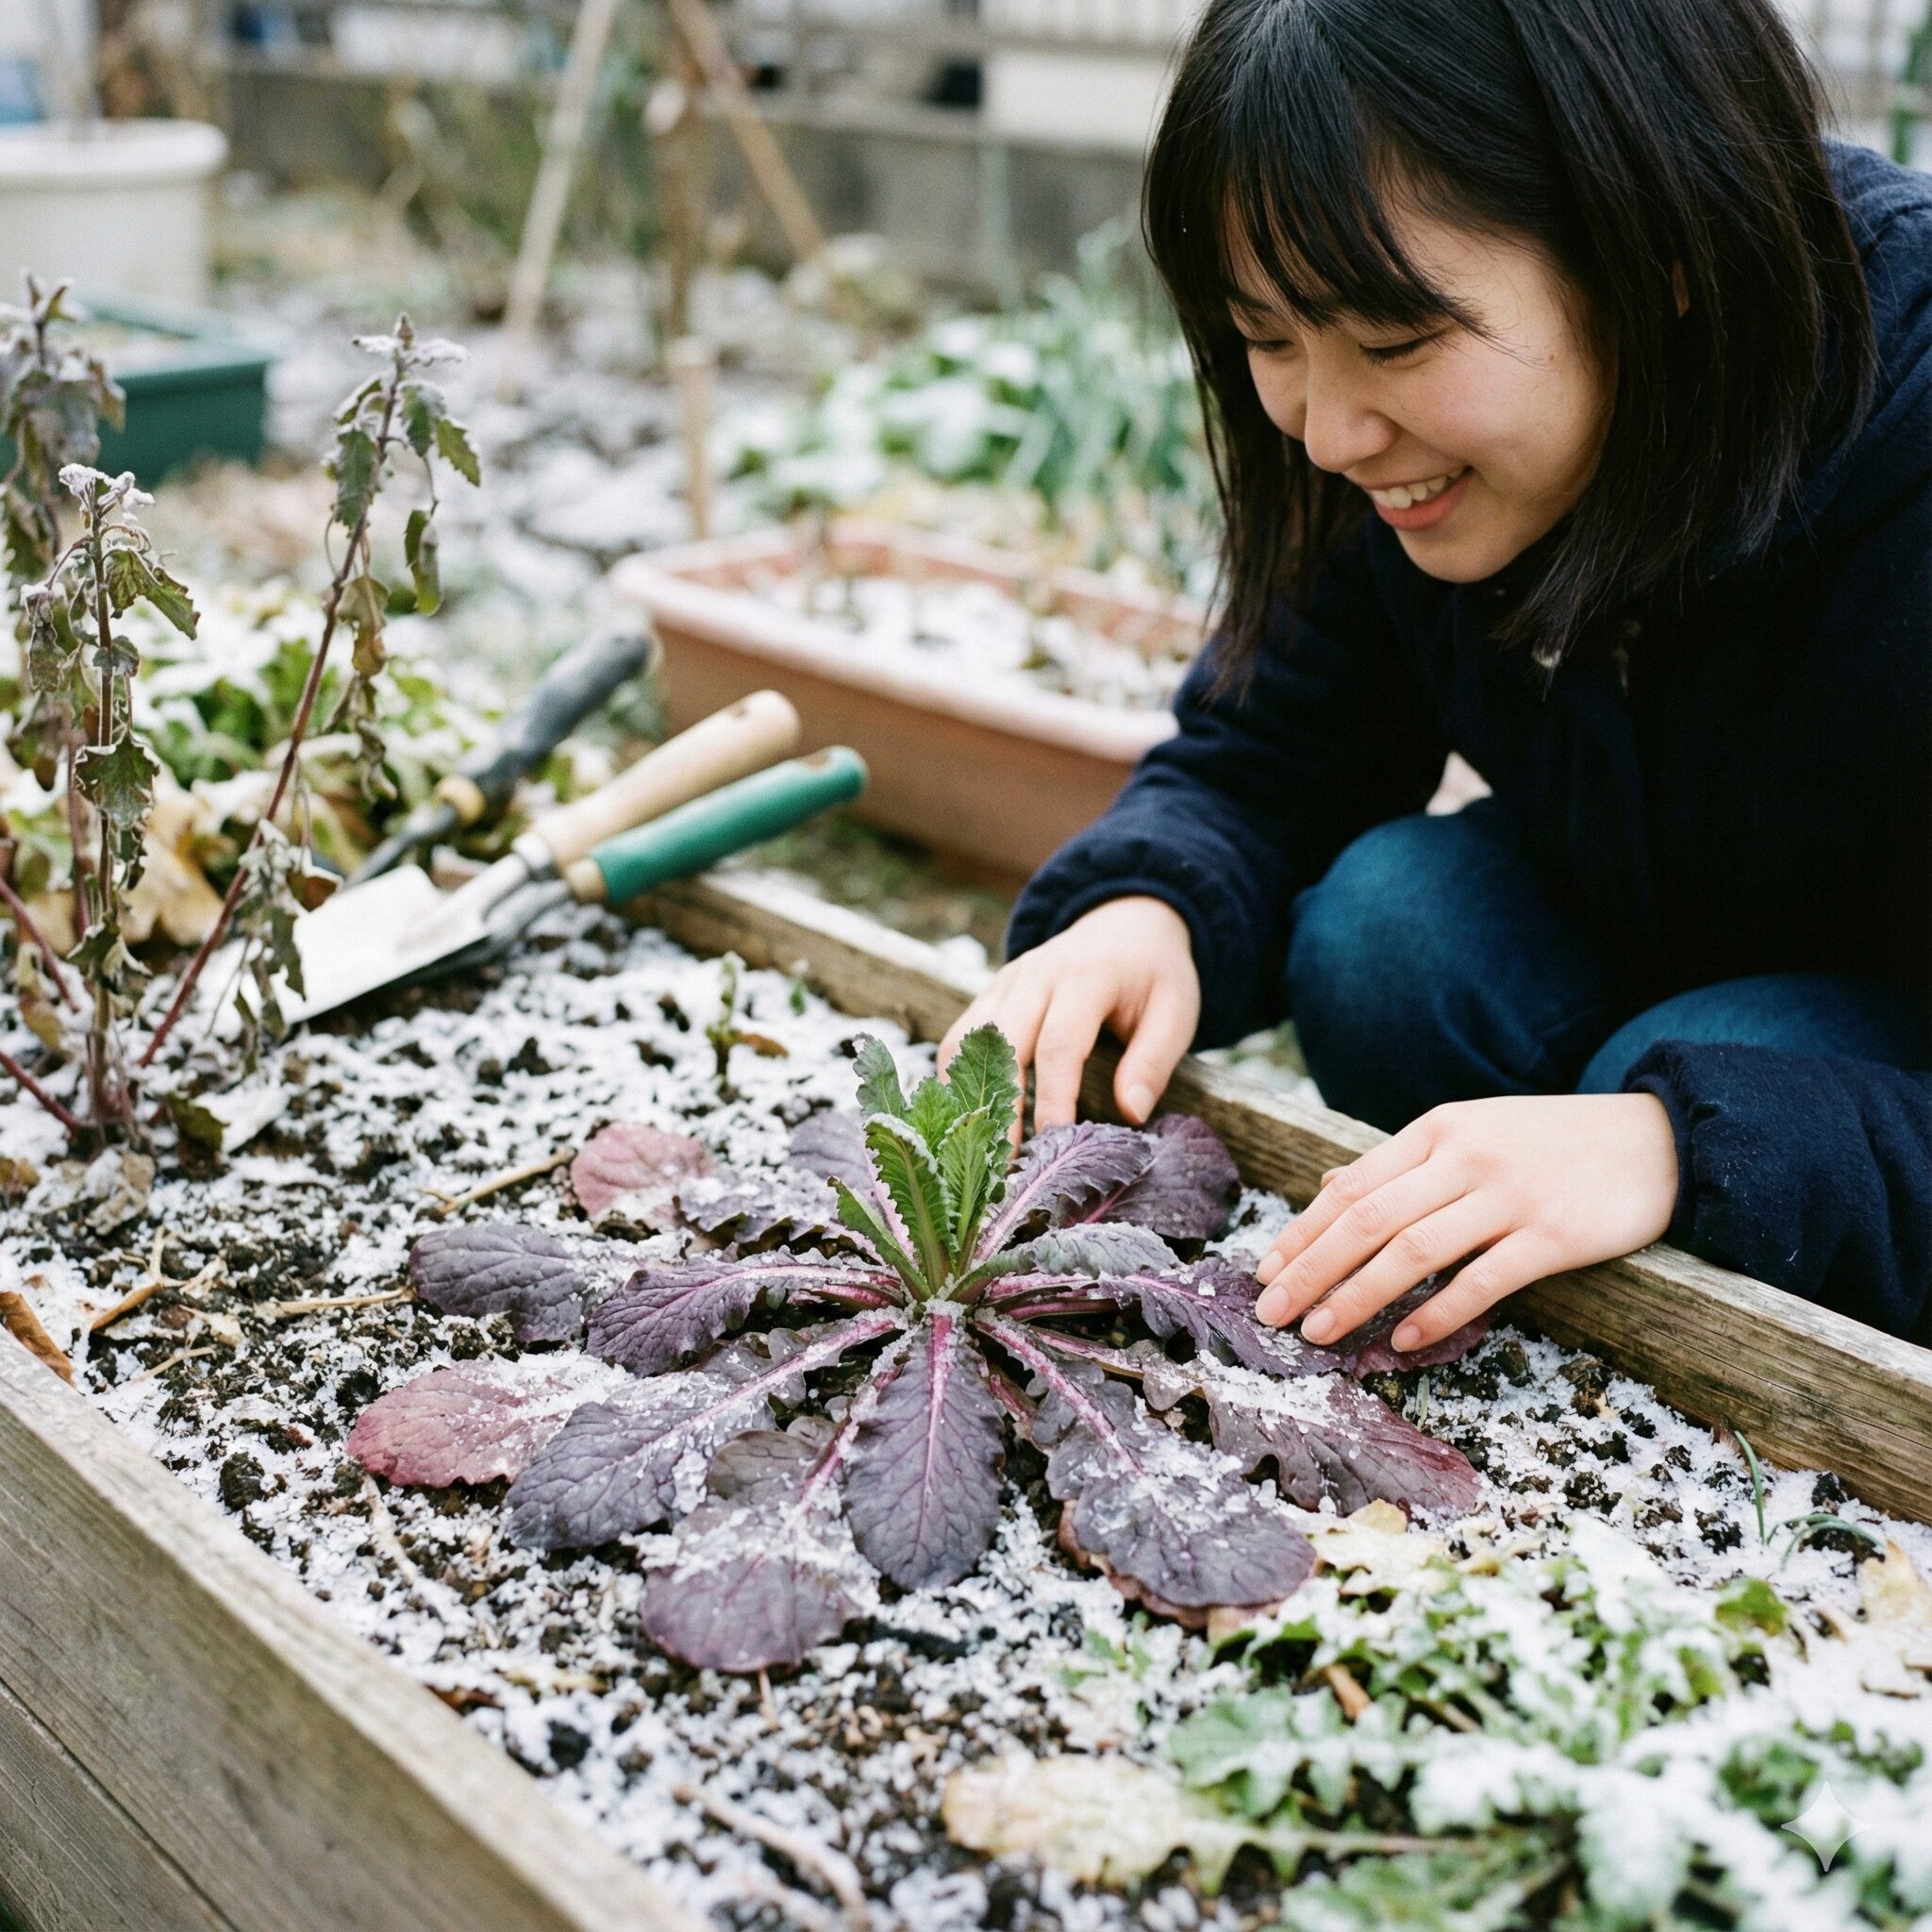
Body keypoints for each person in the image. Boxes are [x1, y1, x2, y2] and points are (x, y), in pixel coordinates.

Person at [941, 0, 1932, 1346]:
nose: (1331, 431)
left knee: (1706, 1047)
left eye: (1398, 342)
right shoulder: (1430, 453)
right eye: (1269, 338)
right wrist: (1142, 907)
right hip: (1668, 937)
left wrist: (1677, 1145)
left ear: (1666, 247)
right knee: (1387, 934)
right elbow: (1271, 755)